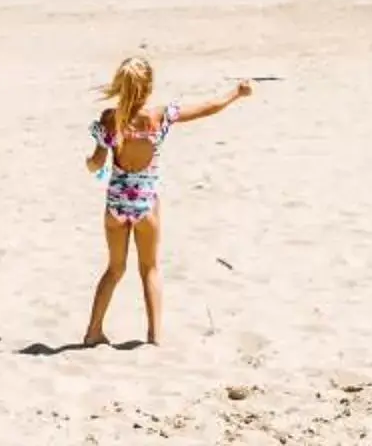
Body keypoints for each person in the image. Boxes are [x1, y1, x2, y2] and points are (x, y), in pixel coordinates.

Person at [79, 56, 252, 346]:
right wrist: (235, 93)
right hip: (146, 206)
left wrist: (91, 162)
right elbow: (206, 108)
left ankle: (93, 331)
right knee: (149, 268)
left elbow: (96, 165)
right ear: (149, 86)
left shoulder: (110, 119)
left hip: (116, 207)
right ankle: (155, 336)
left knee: (115, 269)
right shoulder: (159, 116)